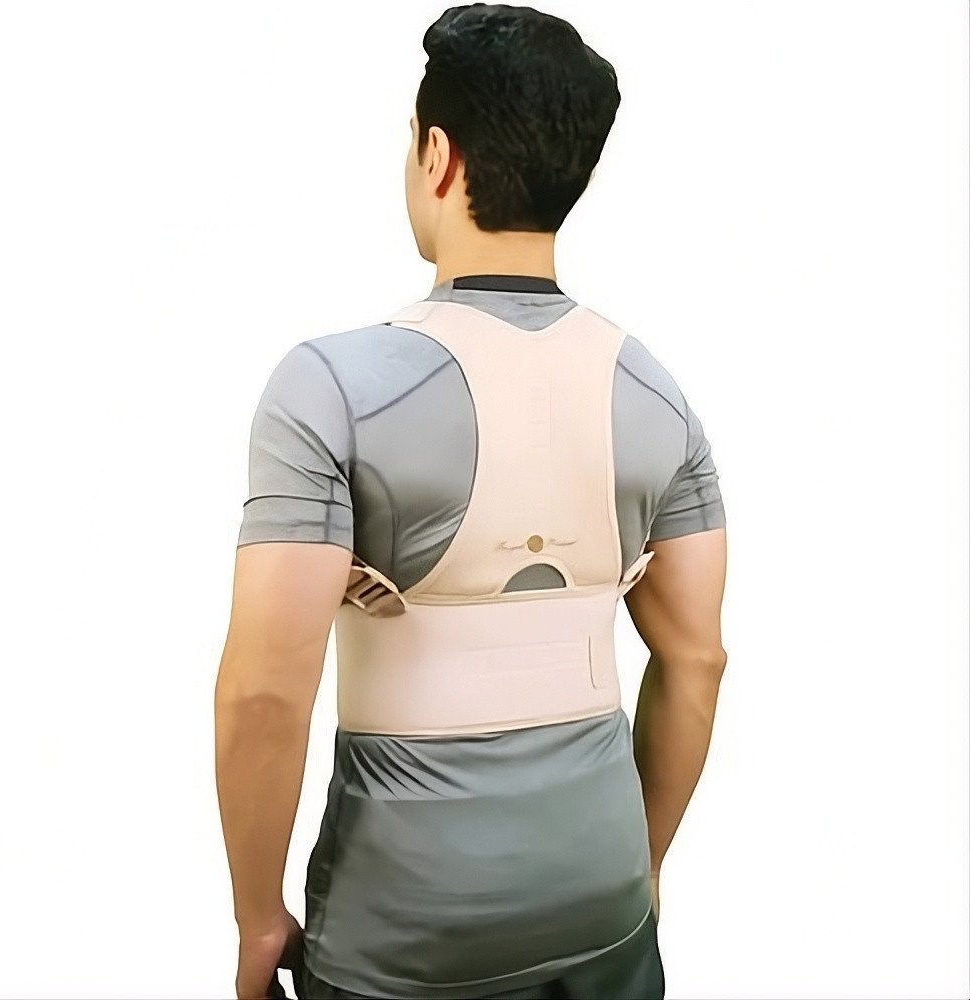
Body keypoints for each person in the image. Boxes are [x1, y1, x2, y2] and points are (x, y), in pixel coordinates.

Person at [214, 4, 728, 999]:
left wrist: (255, 917)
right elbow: (697, 658)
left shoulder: (332, 388)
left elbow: (265, 692)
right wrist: (644, 869)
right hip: (602, 906)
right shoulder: (657, 394)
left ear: (437, 156)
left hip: (398, 935)